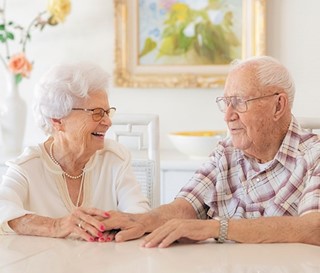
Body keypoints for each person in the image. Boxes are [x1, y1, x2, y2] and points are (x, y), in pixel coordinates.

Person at [101, 56, 320, 247]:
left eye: (239, 102)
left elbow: (313, 227)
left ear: (278, 106)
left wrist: (216, 228)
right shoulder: (226, 152)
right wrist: (141, 221)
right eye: (226, 103)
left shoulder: (314, 156)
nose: (228, 116)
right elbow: (185, 206)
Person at [0, 62, 150, 242]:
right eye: (96, 112)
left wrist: (117, 225)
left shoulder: (115, 158)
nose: (108, 122)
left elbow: (139, 214)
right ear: (57, 119)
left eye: (107, 112)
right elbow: (2, 207)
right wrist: (55, 226)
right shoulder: (27, 167)